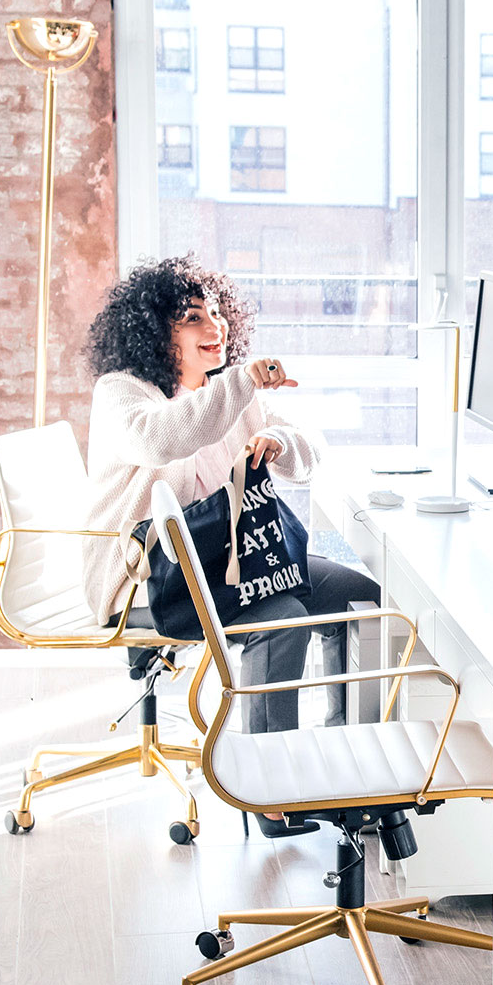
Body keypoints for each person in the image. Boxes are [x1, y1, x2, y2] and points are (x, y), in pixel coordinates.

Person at [83, 255, 380, 838]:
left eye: (217, 314)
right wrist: (244, 383)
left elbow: (309, 449)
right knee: (283, 617)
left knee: (358, 600)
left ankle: (344, 755)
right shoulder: (121, 394)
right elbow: (165, 438)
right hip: (149, 578)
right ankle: (269, 791)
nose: (213, 327)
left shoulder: (230, 393)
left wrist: (277, 438)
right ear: (155, 331)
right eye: (193, 317)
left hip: (234, 563)